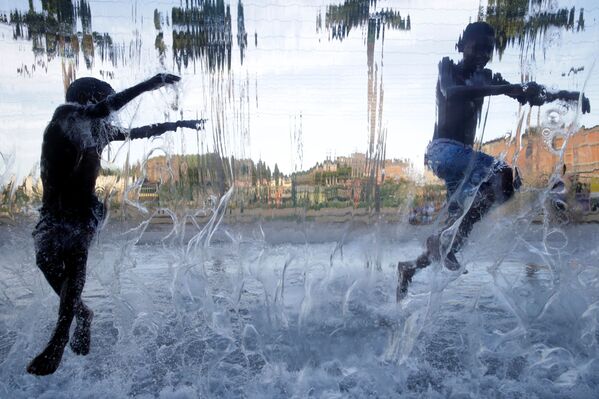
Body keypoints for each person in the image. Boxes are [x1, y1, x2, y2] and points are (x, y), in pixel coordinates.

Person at [396, 22, 591, 301]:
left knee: (465, 218)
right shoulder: (448, 67)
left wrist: (569, 96)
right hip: (442, 151)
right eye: (478, 46)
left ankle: (410, 269)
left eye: (489, 49)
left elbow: (527, 94)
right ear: (462, 45)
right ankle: (443, 241)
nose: (484, 53)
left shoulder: (487, 77)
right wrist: (500, 88)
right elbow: (452, 91)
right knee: (504, 176)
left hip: (462, 162)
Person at [28, 74, 205, 375]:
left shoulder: (98, 132)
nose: (109, 110)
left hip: (85, 211)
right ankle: (81, 312)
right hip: (54, 212)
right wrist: (151, 83)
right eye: (103, 99)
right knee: (45, 258)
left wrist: (178, 126)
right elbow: (104, 109)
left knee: (74, 256)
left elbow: (138, 132)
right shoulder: (65, 117)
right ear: (87, 99)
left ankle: (59, 338)